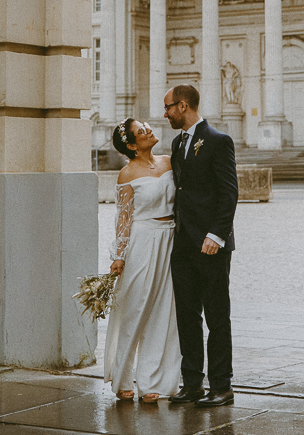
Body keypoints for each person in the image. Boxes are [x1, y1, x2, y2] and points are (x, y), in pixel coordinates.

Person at [165, 83, 239, 408]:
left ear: (183, 106)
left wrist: (216, 235)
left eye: (168, 107)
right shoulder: (176, 142)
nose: (164, 113)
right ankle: (192, 382)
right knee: (187, 316)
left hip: (211, 244)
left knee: (217, 317)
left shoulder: (219, 141)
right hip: (182, 245)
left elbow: (229, 192)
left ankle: (222, 386)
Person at [104, 119, 181, 402]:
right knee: (135, 308)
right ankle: (123, 376)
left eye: (146, 126)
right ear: (132, 145)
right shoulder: (126, 174)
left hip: (170, 239)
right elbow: (123, 218)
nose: (148, 130)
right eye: (141, 131)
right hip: (142, 240)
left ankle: (153, 381)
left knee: (164, 311)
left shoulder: (170, 162)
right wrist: (119, 256)